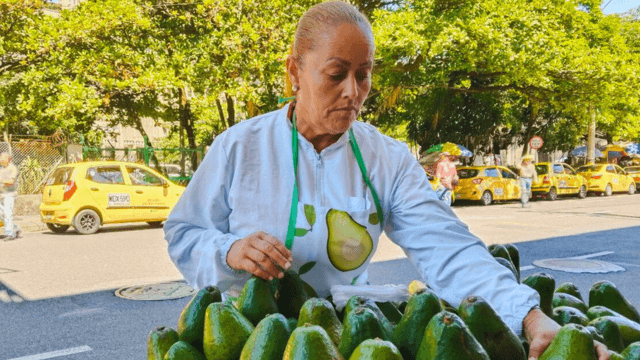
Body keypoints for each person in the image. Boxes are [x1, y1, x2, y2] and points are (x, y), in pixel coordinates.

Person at [163, 3, 608, 359]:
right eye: (337, 74)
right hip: (247, 341)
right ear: (295, 72)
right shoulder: (240, 147)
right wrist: (228, 250)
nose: (353, 92)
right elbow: (183, 232)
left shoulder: (387, 159)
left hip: (349, 338)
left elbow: (447, 248)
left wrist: (530, 317)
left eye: (365, 74)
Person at [0, 153, 21, 240]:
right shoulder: (1, 169)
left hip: (10, 195)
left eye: (2, 158)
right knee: (1, 215)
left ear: (8, 159)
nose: (1, 160)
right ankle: (15, 228)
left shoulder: (13, 168)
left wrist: (1, 181)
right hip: (1, 195)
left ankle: (10, 234)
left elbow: (11, 182)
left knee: (7, 213)